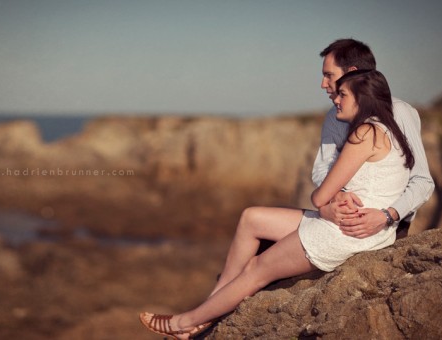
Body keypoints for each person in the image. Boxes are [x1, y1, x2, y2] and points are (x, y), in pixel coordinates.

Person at [140, 69, 415, 339]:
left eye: (342, 94)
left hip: (343, 232)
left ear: (362, 98)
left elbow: (319, 197)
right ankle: (209, 308)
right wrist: (341, 197)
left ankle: (183, 324)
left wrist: (332, 199)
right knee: (252, 218)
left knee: (256, 269)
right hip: (357, 225)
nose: (335, 99)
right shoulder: (390, 130)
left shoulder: (364, 133)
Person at [314, 39, 434, 238]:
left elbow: (422, 180)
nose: (322, 84)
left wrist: (388, 215)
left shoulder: (400, 112)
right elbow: (322, 168)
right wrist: (336, 196)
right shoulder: (332, 118)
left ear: (351, 71)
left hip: (390, 226)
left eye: (329, 75)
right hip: (343, 222)